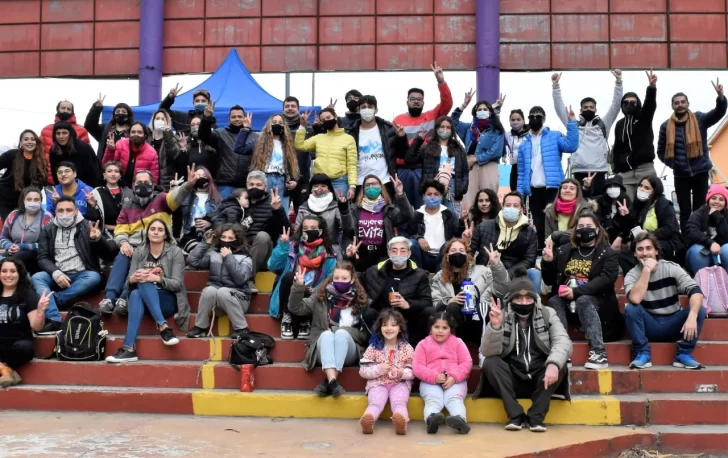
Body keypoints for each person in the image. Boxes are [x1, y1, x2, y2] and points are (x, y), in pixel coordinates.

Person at [475, 268, 573, 432]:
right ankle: (516, 416)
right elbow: (487, 351)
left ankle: (536, 417)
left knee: (560, 363)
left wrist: (553, 364)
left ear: (534, 299)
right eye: (519, 299)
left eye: (528, 298)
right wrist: (495, 327)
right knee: (491, 363)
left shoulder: (548, 314)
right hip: (511, 379)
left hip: (541, 379)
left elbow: (563, 341)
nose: (523, 302)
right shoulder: (502, 315)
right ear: (511, 300)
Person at [98, 167, 196, 315]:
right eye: (139, 182)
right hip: (133, 245)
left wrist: (188, 185)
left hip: (158, 246)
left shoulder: (162, 199)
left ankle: (125, 298)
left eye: (146, 182)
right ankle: (110, 298)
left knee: (140, 257)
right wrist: (124, 242)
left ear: (152, 184)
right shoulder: (127, 205)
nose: (143, 185)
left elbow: (176, 196)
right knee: (122, 256)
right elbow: (120, 230)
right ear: (133, 185)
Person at [542, 213, 623, 370]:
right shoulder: (565, 250)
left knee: (583, 300)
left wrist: (576, 292)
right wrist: (548, 262)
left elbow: (606, 279)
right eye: (580, 227)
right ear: (574, 230)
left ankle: (599, 352)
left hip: (598, 302)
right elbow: (549, 280)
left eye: (588, 227)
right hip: (567, 301)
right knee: (553, 301)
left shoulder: (607, 253)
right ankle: (562, 350)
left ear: (598, 230)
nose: (584, 231)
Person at [105, 219, 189, 363]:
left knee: (144, 281)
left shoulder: (175, 252)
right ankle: (160, 328)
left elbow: (177, 285)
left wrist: (155, 278)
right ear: (147, 233)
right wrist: (133, 279)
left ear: (165, 234)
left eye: (160, 230)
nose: (156, 232)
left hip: (167, 299)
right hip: (142, 300)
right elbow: (128, 284)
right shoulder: (139, 251)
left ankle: (130, 348)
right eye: (153, 229)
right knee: (137, 290)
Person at [31, 196, 117, 334]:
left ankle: (57, 298)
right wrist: (55, 272)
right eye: (61, 210)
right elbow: (42, 257)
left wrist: (97, 240)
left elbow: (107, 254)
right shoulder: (48, 229)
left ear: (76, 211)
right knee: (37, 277)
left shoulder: (87, 226)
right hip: (57, 274)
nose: (65, 213)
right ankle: (54, 320)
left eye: (69, 210)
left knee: (94, 277)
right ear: (55, 212)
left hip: (82, 273)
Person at [624, 232, 706, 370]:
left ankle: (683, 354)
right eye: (640, 249)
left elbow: (696, 291)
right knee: (631, 308)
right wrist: (647, 270)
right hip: (648, 325)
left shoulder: (671, 268)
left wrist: (692, 316)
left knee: (699, 309)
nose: (645, 253)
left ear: (656, 251)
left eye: (649, 248)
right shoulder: (632, 275)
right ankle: (642, 353)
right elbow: (635, 299)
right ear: (634, 254)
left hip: (674, 324)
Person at [288, 260, 370, 397]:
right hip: (322, 348)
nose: (340, 281)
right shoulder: (320, 297)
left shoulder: (361, 301)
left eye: (344, 278)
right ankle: (332, 381)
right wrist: (299, 286)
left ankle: (329, 380)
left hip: (350, 349)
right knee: (326, 335)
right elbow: (296, 308)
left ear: (352, 280)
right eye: (336, 278)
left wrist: (337, 330)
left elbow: (364, 335)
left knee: (341, 334)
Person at [658, 81, 727, 231]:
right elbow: (660, 151)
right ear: (672, 106)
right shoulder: (665, 126)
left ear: (688, 103)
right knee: (684, 209)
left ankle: (700, 234)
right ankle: (686, 239)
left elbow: (718, 113)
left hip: (701, 171)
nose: (680, 105)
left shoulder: (699, 118)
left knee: (700, 207)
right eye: (676, 103)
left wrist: (721, 97)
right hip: (680, 174)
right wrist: (674, 164)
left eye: (683, 102)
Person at [552, 70, 623, 197]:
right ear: (580, 110)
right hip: (579, 172)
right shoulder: (573, 124)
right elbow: (559, 109)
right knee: (579, 207)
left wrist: (618, 82)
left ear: (596, 109)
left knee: (598, 208)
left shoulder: (603, 124)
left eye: (591, 107)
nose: (588, 109)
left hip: (599, 172)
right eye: (585, 107)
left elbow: (616, 106)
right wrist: (555, 86)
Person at [517, 106, 579, 249]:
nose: (534, 118)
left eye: (538, 116)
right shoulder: (523, 145)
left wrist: (571, 123)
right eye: (531, 116)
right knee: (538, 223)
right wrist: (520, 195)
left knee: (553, 222)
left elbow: (571, 146)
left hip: (552, 187)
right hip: (533, 190)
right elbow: (521, 173)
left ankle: (559, 249)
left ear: (544, 119)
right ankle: (542, 251)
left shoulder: (554, 135)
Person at [393, 62, 453, 209]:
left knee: (424, 208)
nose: (416, 102)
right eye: (412, 99)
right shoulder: (398, 120)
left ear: (423, 102)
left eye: (419, 100)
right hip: (403, 170)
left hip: (424, 169)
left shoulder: (432, 116)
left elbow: (447, 104)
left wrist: (441, 81)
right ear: (407, 101)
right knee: (403, 207)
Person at [268, 217, 338, 340]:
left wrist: (314, 290)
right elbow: (272, 266)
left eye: (312, 228)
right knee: (289, 277)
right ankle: (287, 319)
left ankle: (304, 323)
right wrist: (282, 247)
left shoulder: (329, 255)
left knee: (306, 288)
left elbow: (330, 279)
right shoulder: (291, 248)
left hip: (311, 299)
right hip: (290, 295)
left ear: (320, 232)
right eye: (305, 228)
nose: (308, 231)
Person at [431, 238, 508, 344]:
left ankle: (482, 349)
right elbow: (435, 304)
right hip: (455, 321)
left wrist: (497, 265)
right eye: (453, 251)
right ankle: (456, 346)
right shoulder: (438, 277)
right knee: (452, 307)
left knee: (482, 307)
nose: (458, 253)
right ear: (447, 257)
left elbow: (502, 290)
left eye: (461, 251)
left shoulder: (483, 271)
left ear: (467, 255)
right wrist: (450, 301)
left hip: (478, 319)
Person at [186, 223, 253, 340]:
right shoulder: (213, 254)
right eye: (223, 237)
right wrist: (207, 243)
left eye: (231, 238)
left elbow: (241, 279)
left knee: (223, 292)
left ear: (238, 240)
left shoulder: (245, 258)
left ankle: (242, 329)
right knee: (209, 290)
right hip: (216, 303)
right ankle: (200, 327)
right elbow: (193, 261)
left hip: (238, 300)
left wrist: (229, 257)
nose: (226, 241)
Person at [363, 237, 434, 346]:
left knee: (429, 312)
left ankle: (415, 347)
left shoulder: (420, 275)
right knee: (367, 312)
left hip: (409, 322)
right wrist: (349, 257)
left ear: (409, 253)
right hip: (383, 322)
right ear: (389, 252)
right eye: (394, 250)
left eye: (403, 250)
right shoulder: (373, 272)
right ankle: (380, 346)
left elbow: (427, 302)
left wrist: (408, 304)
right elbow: (352, 275)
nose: (398, 254)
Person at [412, 312, 472, 435]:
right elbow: (417, 367)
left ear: (451, 329)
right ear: (430, 328)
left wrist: (454, 377)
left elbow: (466, 363)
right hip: (431, 381)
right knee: (433, 399)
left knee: (454, 399)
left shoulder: (458, 343)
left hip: (455, 381)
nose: (440, 331)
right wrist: (434, 377)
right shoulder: (423, 344)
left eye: (445, 328)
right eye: (436, 327)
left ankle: (459, 420)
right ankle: (432, 419)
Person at [358, 309, 415, 435]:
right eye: (385, 324)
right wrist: (379, 369)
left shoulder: (406, 348)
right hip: (377, 383)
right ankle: (368, 419)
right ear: (380, 328)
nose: (389, 328)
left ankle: (401, 421)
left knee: (399, 402)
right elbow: (363, 371)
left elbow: (413, 371)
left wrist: (402, 373)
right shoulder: (373, 347)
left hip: (400, 383)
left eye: (393, 325)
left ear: (400, 328)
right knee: (375, 402)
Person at [471, 191, 541, 291]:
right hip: (486, 273)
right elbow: (470, 253)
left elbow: (529, 260)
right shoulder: (483, 227)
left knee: (535, 273)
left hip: (513, 275)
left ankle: (535, 306)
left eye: (515, 206)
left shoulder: (529, 232)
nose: (511, 208)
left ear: (522, 209)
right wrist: (465, 241)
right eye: (508, 205)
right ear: (502, 207)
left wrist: (506, 274)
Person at [615, 175, 683, 274]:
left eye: (647, 188)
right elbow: (633, 229)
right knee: (622, 257)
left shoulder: (663, 204)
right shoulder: (638, 205)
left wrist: (648, 234)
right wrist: (626, 216)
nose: (642, 189)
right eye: (641, 186)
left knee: (648, 252)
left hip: (664, 243)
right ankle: (637, 279)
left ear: (655, 191)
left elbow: (668, 229)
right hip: (644, 242)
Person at [345, 175, 413, 272]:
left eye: (374, 184)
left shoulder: (388, 209)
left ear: (381, 187)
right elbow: (347, 230)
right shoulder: (355, 209)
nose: (371, 187)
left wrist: (400, 194)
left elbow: (407, 216)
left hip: (382, 254)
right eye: (367, 185)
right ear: (363, 189)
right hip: (360, 254)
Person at [0, 258, 51, 387]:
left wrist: (40, 311)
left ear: (19, 274)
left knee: (25, 348)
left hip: (18, 344)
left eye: (13, 271)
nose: (8, 275)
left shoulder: (28, 295)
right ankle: (6, 370)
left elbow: (36, 327)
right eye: (4, 271)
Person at [405, 116, 469, 216]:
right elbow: (409, 159)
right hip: (432, 186)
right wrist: (418, 140)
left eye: (448, 127)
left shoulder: (458, 148)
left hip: (452, 187)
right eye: (442, 127)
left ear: (452, 130)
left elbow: (465, 171)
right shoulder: (428, 147)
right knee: (432, 217)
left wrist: (462, 189)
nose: (445, 130)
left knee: (452, 218)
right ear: (436, 128)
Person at [347, 95, 408, 198]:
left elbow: (402, 155)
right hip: (360, 183)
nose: (367, 109)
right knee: (360, 213)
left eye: (370, 106)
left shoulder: (388, 128)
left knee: (387, 213)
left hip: (385, 182)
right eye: (363, 107)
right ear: (359, 110)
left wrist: (401, 137)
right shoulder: (351, 132)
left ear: (376, 109)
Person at [451, 95, 506, 207]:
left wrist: (476, 158)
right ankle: (470, 223)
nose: (482, 111)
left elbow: (496, 152)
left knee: (488, 200)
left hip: (489, 166)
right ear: (475, 113)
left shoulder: (497, 130)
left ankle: (488, 224)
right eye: (479, 109)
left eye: (485, 109)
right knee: (468, 200)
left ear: (490, 112)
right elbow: (453, 122)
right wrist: (463, 105)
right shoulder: (468, 128)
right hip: (470, 167)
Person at [612, 70, 658, 201]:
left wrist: (651, 88)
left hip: (645, 170)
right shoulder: (620, 124)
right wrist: (616, 168)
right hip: (625, 173)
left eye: (633, 102)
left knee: (648, 205)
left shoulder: (644, 118)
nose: (629, 105)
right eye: (625, 102)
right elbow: (617, 148)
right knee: (626, 206)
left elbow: (650, 106)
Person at [242, 171, 291, 291]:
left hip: (265, 252)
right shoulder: (240, 200)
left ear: (265, 187)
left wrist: (277, 210)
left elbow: (286, 229)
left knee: (262, 236)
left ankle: (247, 281)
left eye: (259, 185)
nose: (254, 187)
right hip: (242, 248)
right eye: (251, 184)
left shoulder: (273, 202)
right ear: (247, 185)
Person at [295, 108, 358, 199]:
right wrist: (302, 126)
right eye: (323, 120)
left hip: (340, 181)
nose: (326, 121)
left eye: (328, 117)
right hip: (320, 182)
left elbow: (352, 164)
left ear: (335, 117)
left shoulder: (348, 139)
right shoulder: (319, 137)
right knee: (319, 211)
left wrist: (352, 186)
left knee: (340, 211)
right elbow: (299, 145)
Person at [245, 114, 300, 212]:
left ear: (284, 127)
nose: (277, 125)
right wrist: (245, 129)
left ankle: (281, 228)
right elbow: (239, 148)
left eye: (280, 123)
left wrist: (294, 180)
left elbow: (293, 166)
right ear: (269, 125)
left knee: (282, 210)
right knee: (263, 210)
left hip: (282, 180)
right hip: (265, 178)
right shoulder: (259, 141)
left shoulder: (288, 144)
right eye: (274, 122)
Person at [199, 103, 251, 199]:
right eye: (233, 117)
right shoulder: (220, 134)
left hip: (245, 185)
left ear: (244, 118)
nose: (237, 119)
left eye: (240, 116)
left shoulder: (253, 137)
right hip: (225, 185)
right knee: (223, 212)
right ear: (229, 119)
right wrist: (206, 118)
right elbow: (204, 136)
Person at [407, 180, 461, 273]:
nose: (433, 197)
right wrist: (418, 238)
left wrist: (463, 221)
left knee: (448, 245)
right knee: (412, 243)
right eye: (429, 194)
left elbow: (457, 234)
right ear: (424, 197)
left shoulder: (449, 214)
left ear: (441, 197)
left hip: (443, 256)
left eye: (436, 194)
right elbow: (407, 234)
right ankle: (417, 275)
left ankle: (440, 277)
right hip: (423, 255)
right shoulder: (416, 215)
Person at [295, 173, 354, 253]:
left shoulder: (335, 206)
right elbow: (297, 233)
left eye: (323, 186)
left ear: (329, 188)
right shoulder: (303, 208)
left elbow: (348, 228)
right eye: (316, 186)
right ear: (311, 188)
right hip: (306, 250)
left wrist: (343, 208)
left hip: (330, 250)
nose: (319, 189)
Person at [0, 187, 54, 274]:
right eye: (29, 199)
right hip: (13, 252)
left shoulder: (47, 217)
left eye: (36, 200)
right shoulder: (13, 215)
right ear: (24, 200)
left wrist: (22, 246)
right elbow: (3, 237)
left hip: (36, 255)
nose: (32, 202)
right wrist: (10, 246)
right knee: (3, 260)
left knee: (13, 261)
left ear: (41, 201)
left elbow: (48, 244)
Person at [0, 130, 50, 219]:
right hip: (6, 199)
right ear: (21, 142)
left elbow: (42, 182)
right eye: (26, 139)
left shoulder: (41, 160)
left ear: (36, 142)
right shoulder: (12, 154)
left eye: (32, 139)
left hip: (27, 201)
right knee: (10, 226)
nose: (29, 142)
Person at [40, 100, 90, 181]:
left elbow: (86, 158)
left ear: (72, 112)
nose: (65, 111)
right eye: (63, 108)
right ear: (58, 110)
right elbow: (39, 153)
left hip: (74, 179)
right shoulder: (46, 130)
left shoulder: (81, 131)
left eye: (68, 109)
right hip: (48, 177)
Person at [684, 184, 728, 275]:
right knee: (699, 252)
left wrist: (718, 217)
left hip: (721, 252)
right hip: (701, 251)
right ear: (708, 199)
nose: (717, 201)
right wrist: (710, 243)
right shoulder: (699, 213)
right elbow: (691, 230)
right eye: (713, 198)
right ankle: (703, 283)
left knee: (727, 250)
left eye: (721, 199)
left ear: (725, 203)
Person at [281, 96, 315, 211]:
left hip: (302, 180)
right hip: (282, 180)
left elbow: (316, 149)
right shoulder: (277, 128)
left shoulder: (308, 128)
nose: (290, 109)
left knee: (303, 215)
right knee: (281, 216)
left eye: (293, 106)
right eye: (287, 106)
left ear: (298, 109)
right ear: (283, 110)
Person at [102, 121, 160, 187]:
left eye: (139, 132)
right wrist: (110, 150)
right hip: (118, 187)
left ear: (145, 135)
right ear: (129, 134)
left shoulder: (152, 152)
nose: (136, 134)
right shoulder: (120, 144)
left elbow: (153, 178)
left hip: (139, 190)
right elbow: (106, 166)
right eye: (133, 132)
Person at [178, 166, 221, 247]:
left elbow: (221, 218)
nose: (201, 178)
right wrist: (173, 190)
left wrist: (210, 223)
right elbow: (173, 208)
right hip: (189, 234)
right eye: (198, 176)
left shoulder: (216, 198)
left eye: (204, 176)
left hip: (209, 235)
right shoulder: (186, 196)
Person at [49, 121, 100, 188]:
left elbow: (93, 173)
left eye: (64, 133)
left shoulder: (83, 148)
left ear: (70, 134)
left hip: (85, 188)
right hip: (64, 189)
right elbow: (55, 174)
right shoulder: (53, 151)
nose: (61, 136)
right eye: (58, 133)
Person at [544, 178, 592, 248]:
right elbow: (548, 236)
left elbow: (581, 230)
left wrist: (556, 234)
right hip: (557, 249)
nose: (567, 190)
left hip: (579, 248)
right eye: (564, 188)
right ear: (560, 191)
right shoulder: (550, 211)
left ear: (577, 193)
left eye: (572, 189)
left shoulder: (585, 208)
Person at [84, 95, 134, 159]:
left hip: (125, 166)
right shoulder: (105, 129)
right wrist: (96, 108)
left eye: (123, 112)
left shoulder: (133, 130)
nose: (120, 113)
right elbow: (89, 125)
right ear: (113, 115)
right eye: (118, 111)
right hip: (105, 166)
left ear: (129, 115)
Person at [91, 161, 133, 236]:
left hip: (127, 232)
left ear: (120, 175)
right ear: (104, 175)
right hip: (104, 233)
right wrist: (93, 206)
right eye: (109, 171)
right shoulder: (96, 192)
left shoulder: (129, 192)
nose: (113, 174)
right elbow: (94, 218)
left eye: (116, 171)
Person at [594, 175, 632, 245]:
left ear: (621, 188)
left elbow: (630, 228)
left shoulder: (627, 203)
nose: (612, 189)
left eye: (615, 186)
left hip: (621, 241)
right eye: (609, 187)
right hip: (602, 239)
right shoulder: (600, 203)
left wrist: (626, 216)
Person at [148, 109, 180, 192]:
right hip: (148, 181)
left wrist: (167, 135)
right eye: (157, 118)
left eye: (163, 119)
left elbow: (173, 156)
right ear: (153, 121)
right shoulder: (147, 139)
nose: (159, 121)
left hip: (165, 184)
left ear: (167, 122)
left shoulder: (173, 138)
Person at [505, 109, 529, 191]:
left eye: (518, 119)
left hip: (529, 167)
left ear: (523, 121)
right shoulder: (508, 135)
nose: (515, 122)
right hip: (515, 167)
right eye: (513, 120)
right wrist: (497, 110)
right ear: (510, 122)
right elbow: (497, 127)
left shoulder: (531, 134)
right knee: (515, 193)